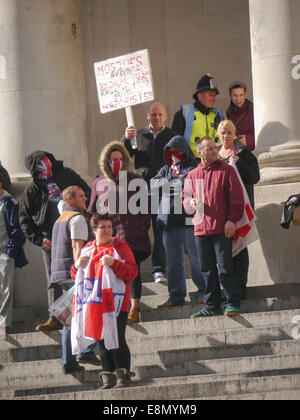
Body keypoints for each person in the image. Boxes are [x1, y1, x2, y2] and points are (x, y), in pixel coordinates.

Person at [19, 150, 91, 332]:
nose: (45, 165)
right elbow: (24, 219)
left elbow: (86, 191)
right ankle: (54, 317)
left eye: (46, 160)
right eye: (40, 163)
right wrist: (38, 239)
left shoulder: (67, 175)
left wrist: (87, 214)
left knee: (81, 270)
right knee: (53, 278)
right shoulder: (32, 190)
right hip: (50, 238)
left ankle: (85, 309)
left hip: (74, 230)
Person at [72, 213, 138, 389]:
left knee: (116, 338)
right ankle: (108, 378)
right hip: (94, 303)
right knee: (101, 341)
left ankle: (123, 375)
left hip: (117, 304)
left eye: (110, 227)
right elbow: (78, 277)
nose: (108, 231)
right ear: (94, 230)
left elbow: (132, 272)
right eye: (103, 227)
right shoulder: (87, 248)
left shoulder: (121, 247)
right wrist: (75, 266)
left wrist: (114, 264)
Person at [89, 142, 151, 324]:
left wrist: (142, 227)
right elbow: (92, 210)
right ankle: (115, 307)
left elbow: (145, 208)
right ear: (106, 161)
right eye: (113, 160)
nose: (117, 162)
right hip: (110, 237)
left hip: (132, 236)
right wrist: (98, 231)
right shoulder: (99, 183)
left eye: (120, 159)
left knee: (134, 271)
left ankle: (134, 308)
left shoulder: (134, 180)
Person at [182, 137, 244, 318]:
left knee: (225, 268)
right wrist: (190, 202)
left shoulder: (227, 171)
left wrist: (232, 220)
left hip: (221, 228)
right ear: (199, 152)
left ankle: (232, 301)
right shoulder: (192, 175)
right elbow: (184, 200)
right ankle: (212, 305)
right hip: (200, 229)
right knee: (207, 270)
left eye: (214, 147)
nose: (213, 150)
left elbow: (237, 199)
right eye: (208, 148)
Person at [122, 102, 176, 283]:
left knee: (161, 228)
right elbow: (123, 155)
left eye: (160, 115)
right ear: (148, 116)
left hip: (164, 188)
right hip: (141, 188)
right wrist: (126, 139)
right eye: (154, 115)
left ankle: (158, 269)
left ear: (166, 117)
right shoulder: (138, 135)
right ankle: (133, 267)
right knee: (139, 229)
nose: (157, 118)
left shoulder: (171, 136)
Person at [151, 135, 206, 307]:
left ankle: (204, 291)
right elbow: (153, 184)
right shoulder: (166, 170)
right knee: (173, 262)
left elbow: (192, 184)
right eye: (171, 151)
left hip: (188, 221)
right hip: (168, 223)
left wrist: (176, 183)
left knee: (196, 259)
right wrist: (173, 181)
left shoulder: (194, 167)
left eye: (177, 150)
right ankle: (176, 296)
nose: (174, 154)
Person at [50, 186, 100, 374]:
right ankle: (83, 352)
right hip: (72, 273)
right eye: (81, 196)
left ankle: (70, 361)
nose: (85, 198)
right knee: (79, 315)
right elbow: (76, 246)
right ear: (70, 199)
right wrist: (81, 270)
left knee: (71, 319)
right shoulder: (77, 218)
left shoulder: (60, 219)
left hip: (60, 272)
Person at [217, 120, 260, 298]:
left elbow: (254, 177)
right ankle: (228, 286)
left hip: (241, 206)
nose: (226, 136)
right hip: (220, 209)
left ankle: (241, 285)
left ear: (234, 134)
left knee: (241, 245)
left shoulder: (242, 152)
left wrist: (239, 163)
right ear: (218, 135)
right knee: (224, 247)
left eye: (229, 133)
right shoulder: (214, 154)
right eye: (223, 133)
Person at [0, 173, 28, 334]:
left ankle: (2, 325)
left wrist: (10, 252)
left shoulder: (10, 203)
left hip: (5, 252)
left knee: (5, 290)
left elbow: (18, 229)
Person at [171, 73, 224, 158]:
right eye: (210, 95)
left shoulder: (218, 115)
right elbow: (175, 144)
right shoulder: (184, 113)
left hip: (213, 163)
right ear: (199, 96)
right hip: (191, 165)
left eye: (214, 95)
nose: (213, 99)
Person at [226, 81, 255, 151]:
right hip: (237, 152)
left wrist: (248, 140)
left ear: (245, 95)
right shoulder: (229, 112)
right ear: (230, 96)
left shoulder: (254, 109)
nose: (238, 99)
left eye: (241, 95)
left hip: (252, 151)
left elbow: (265, 134)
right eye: (235, 95)